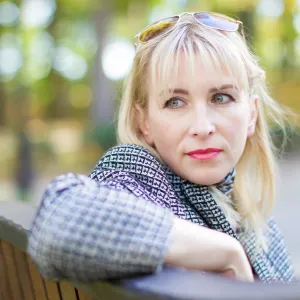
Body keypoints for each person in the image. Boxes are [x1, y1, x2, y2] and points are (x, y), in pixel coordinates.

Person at [28, 12, 298, 284]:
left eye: (220, 97)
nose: (202, 127)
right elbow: (58, 221)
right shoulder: (139, 180)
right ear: (143, 122)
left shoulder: (255, 220)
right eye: (175, 102)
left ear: (251, 115)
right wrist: (224, 251)